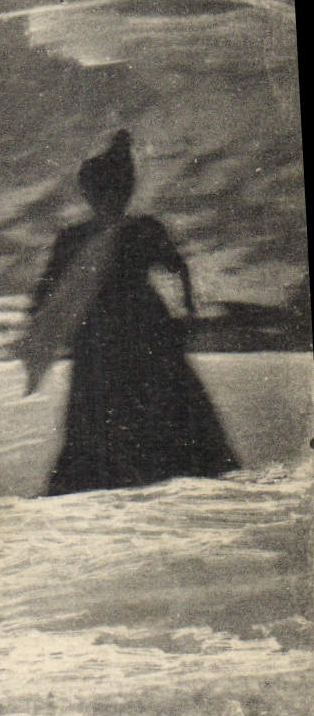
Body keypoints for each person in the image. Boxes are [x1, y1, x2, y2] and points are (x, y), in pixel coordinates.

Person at [29, 130, 238, 495]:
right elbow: (179, 268)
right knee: (159, 404)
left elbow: (46, 291)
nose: (108, 199)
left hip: (106, 334)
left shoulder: (82, 236)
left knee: (106, 411)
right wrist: (187, 311)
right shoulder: (140, 229)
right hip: (143, 327)